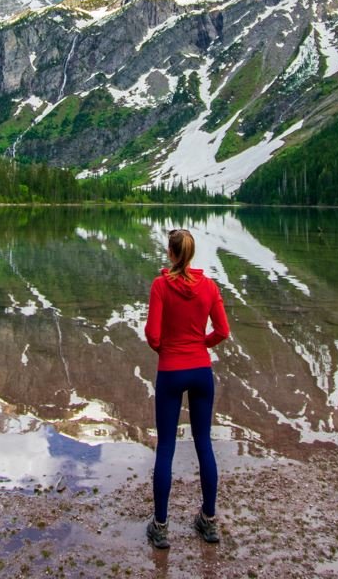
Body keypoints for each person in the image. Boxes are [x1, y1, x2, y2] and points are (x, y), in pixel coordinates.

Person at [144, 228, 230, 549]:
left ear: (170, 252)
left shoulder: (160, 286)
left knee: (166, 446)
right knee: (203, 443)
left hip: (171, 371)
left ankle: (161, 527)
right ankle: (208, 522)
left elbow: (153, 335)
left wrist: (168, 351)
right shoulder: (208, 287)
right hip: (200, 371)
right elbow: (223, 330)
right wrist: (200, 346)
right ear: (191, 253)